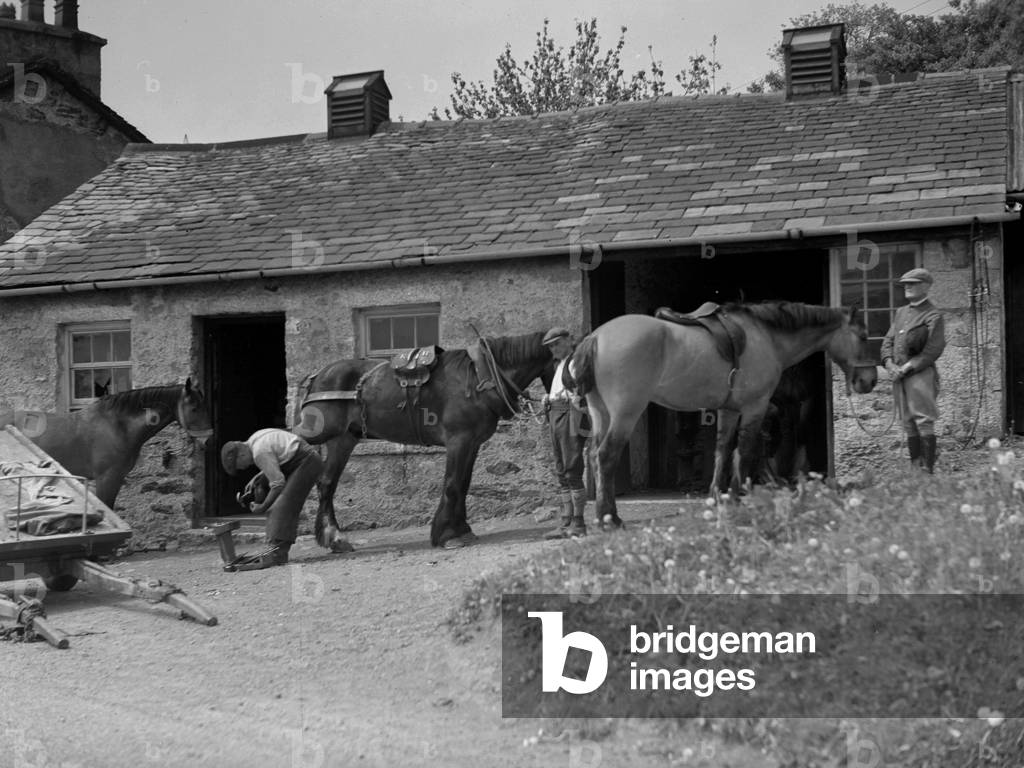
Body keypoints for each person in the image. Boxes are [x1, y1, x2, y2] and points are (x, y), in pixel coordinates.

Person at [220, 428, 323, 568]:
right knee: (262, 485)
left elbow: (278, 484)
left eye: (240, 466)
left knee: (281, 506)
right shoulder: (254, 439)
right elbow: (275, 457)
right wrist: (258, 477)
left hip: (307, 462)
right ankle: (274, 549)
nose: (244, 468)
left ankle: (277, 554)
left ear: (241, 454)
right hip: (303, 457)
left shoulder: (258, 453)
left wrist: (262, 507)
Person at [880, 267, 946, 473]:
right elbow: (887, 342)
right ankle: (915, 470)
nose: (907, 287)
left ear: (926, 287)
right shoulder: (900, 313)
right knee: (908, 422)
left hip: (920, 375)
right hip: (898, 375)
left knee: (923, 421)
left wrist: (907, 367)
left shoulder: (933, 315)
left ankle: (927, 471)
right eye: (905, 284)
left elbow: (933, 349)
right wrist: (890, 364)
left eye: (913, 283)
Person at [541, 327, 589, 539]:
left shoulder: (576, 362)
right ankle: (565, 522)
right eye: (551, 346)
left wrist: (575, 399)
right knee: (561, 470)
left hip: (571, 415)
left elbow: (584, 391)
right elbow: (558, 391)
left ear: (570, 340)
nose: (554, 349)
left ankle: (579, 524)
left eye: (557, 343)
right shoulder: (559, 365)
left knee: (572, 468)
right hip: (556, 415)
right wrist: (548, 398)